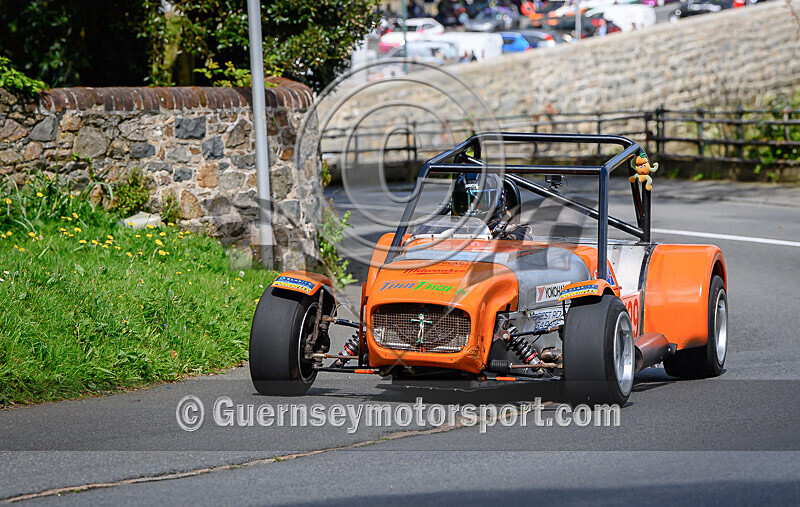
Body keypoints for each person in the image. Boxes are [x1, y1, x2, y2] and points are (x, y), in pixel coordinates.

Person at [450, 173, 531, 240]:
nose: (472, 207)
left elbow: (524, 238)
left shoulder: (515, 232)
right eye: (464, 201)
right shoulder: (449, 231)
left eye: (481, 201)